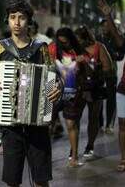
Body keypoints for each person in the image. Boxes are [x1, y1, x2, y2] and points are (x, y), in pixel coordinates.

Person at [0, 0, 61, 187]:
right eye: (12, 17)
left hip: (38, 125)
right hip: (10, 126)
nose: (17, 22)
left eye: (22, 18)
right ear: (7, 20)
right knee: (12, 179)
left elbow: (54, 77)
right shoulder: (0, 48)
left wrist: (58, 87)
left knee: (41, 179)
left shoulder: (41, 49)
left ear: (29, 21)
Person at [98, 0, 125, 171]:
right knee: (124, 125)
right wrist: (107, 15)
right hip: (124, 92)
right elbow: (115, 34)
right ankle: (124, 159)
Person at [48, 27, 86, 167]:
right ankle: (44, 157)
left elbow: (87, 70)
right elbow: (45, 67)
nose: (65, 45)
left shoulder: (79, 50)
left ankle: (74, 158)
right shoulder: (52, 48)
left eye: (67, 42)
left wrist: (82, 63)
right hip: (53, 92)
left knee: (71, 124)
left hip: (73, 93)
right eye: (61, 42)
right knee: (47, 125)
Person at [74, 25, 113, 159]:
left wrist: (91, 64)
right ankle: (74, 150)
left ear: (86, 38)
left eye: (80, 40)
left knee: (93, 118)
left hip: (94, 88)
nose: (78, 43)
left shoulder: (98, 47)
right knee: (73, 119)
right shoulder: (74, 49)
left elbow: (109, 68)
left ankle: (90, 145)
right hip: (77, 88)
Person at [96, 19, 123, 134]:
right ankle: (100, 124)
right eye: (104, 26)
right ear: (101, 27)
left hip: (111, 73)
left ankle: (109, 125)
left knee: (111, 99)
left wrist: (110, 52)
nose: (106, 28)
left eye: (108, 26)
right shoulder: (97, 38)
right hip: (98, 73)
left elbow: (120, 56)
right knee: (99, 98)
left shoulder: (116, 39)